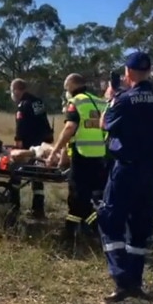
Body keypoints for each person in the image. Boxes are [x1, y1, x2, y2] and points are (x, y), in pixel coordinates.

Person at [98, 52, 153, 304]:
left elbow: (105, 125)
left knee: (110, 221)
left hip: (126, 169)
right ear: (149, 71)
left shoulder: (123, 99)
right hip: (151, 169)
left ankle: (121, 281)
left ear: (127, 73)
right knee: (140, 226)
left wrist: (111, 98)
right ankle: (136, 281)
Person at [46, 73, 108, 236]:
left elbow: (69, 129)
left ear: (72, 85)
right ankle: (71, 230)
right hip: (99, 154)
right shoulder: (99, 102)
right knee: (84, 195)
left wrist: (54, 151)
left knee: (77, 194)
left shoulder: (76, 102)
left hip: (82, 155)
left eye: (66, 87)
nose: (66, 91)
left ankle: (97, 227)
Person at [9, 78, 53, 219]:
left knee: (15, 174)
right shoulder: (38, 102)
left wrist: (18, 146)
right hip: (42, 146)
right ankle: (38, 209)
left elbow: (20, 129)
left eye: (12, 91)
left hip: (29, 146)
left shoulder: (23, 105)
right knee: (37, 177)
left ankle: (14, 207)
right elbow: (44, 122)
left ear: (17, 90)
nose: (12, 94)